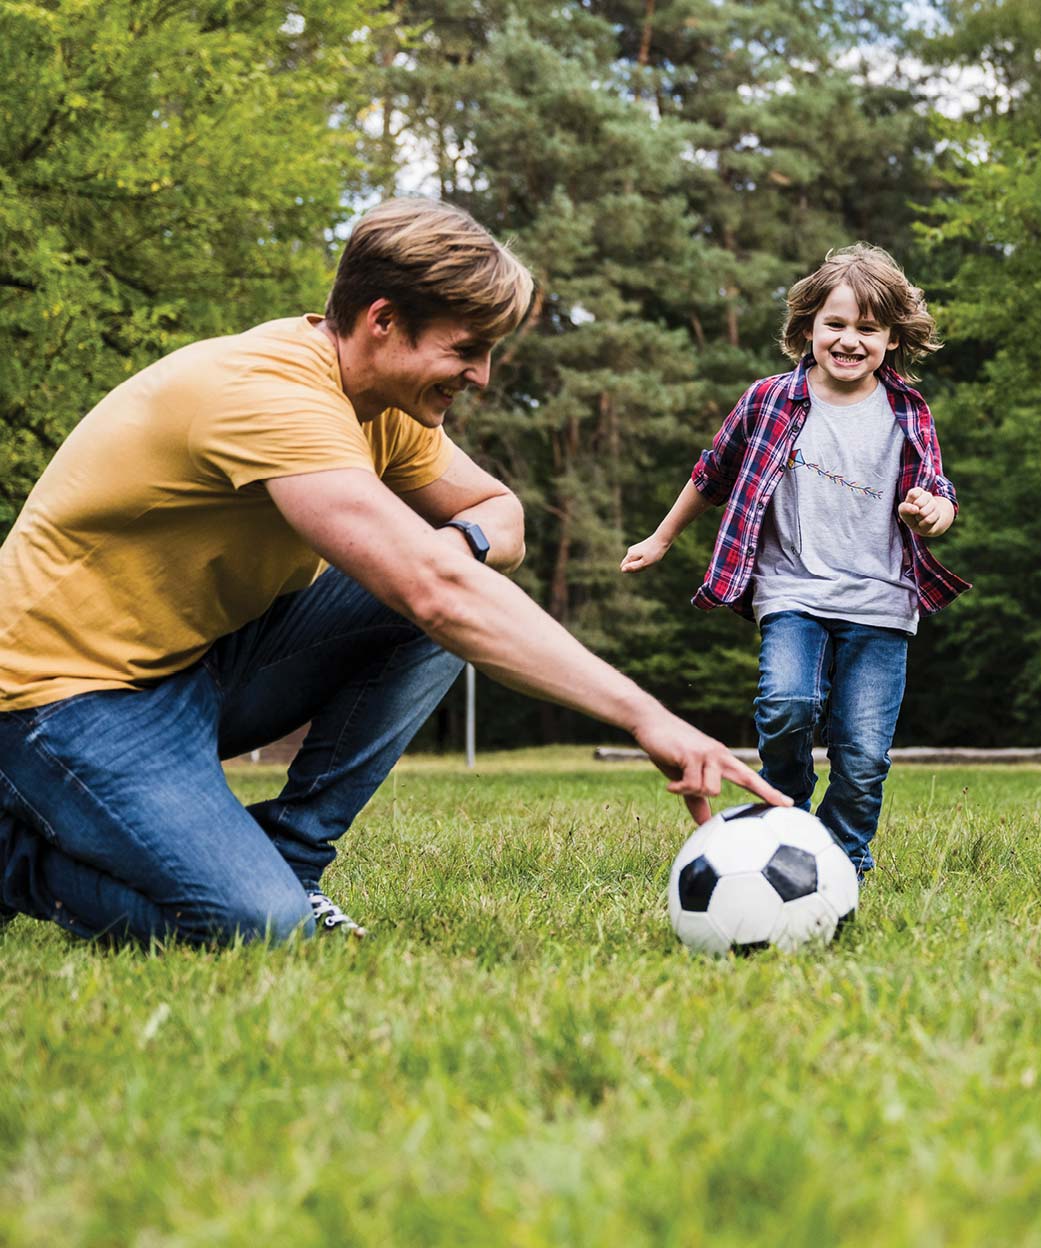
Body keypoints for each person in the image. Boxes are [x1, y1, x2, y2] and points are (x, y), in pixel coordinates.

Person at [0, 197, 785, 946]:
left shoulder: (382, 406)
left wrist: (458, 549)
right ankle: (17, 863)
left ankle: (292, 859)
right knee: (256, 930)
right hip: (59, 696)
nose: (480, 377)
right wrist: (646, 715)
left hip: (194, 666)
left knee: (443, 588)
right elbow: (439, 596)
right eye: (466, 349)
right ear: (383, 321)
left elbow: (499, 516)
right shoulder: (269, 394)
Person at [622, 244, 968, 882]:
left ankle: (843, 862)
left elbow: (939, 494)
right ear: (808, 326)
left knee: (862, 756)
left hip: (882, 602)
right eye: (836, 324)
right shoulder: (767, 401)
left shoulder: (907, 412)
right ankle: (784, 817)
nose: (849, 340)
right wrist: (662, 538)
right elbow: (711, 474)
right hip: (791, 591)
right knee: (786, 706)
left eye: (868, 329)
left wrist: (930, 513)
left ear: (892, 339)